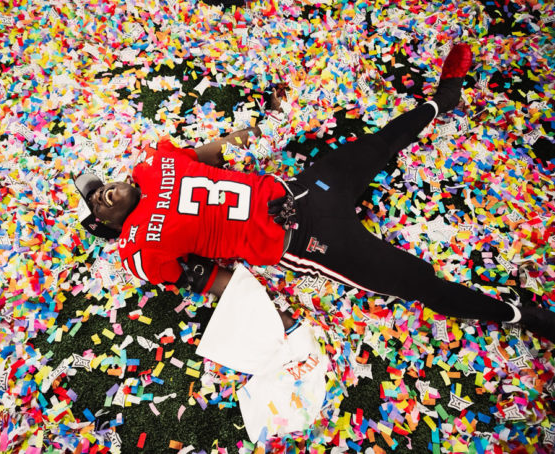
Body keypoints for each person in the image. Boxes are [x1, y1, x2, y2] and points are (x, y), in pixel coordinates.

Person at [74, 43, 555, 343]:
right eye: (95, 203)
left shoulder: (154, 164)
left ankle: (440, 102)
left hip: (304, 191)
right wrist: (277, 314)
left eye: (98, 186)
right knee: (414, 280)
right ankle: (520, 315)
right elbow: (207, 279)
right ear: (108, 227)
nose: (101, 194)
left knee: (377, 144)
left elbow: (214, 151)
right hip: (302, 241)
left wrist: (263, 123)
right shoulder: (139, 248)